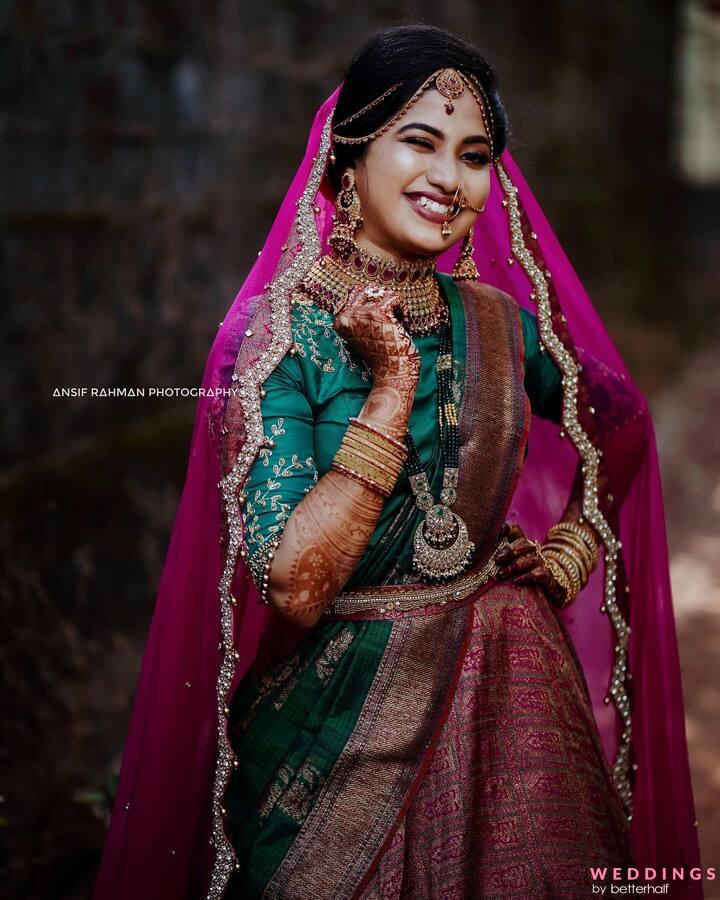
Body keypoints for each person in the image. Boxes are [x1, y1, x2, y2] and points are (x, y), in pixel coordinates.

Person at [93, 24, 703, 900]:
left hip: (511, 694)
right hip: (329, 733)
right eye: (418, 141)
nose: (448, 178)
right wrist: (389, 389)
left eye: (474, 154)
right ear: (347, 164)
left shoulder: (499, 323)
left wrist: (570, 548)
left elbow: (622, 423)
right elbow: (298, 585)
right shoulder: (269, 343)